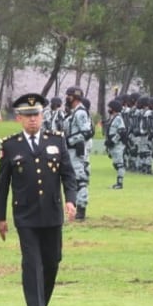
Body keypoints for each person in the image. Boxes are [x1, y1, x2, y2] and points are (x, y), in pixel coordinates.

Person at [0, 93, 78, 306]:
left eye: (37, 115)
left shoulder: (56, 140)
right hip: (25, 215)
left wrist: (71, 200)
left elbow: (68, 175)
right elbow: (3, 185)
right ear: (19, 118)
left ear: (43, 116)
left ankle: (42, 303)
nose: (33, 120)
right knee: (32, 262)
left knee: (52, 261)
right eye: (28, 116)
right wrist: (0, 217)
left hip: (51, 213)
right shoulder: (10, 146)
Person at [62, 87, 92, 220]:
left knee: (80, 180)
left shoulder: (80, 113)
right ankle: (73, 208)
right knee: (72, 180)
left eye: (68, 96)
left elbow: (86, 132)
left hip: (76, 152)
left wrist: (69, 140)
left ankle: (81, 210)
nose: (66, 98)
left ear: (74, 97)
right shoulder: (73, 113)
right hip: (70, 152)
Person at [104, 99, 127, 189]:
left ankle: (119, 183)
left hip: (118, 145)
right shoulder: (112, 118)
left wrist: (113, 141)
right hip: (113, 145)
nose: (108, 109)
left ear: (113, 109)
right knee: (116, 164)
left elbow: (121, 131)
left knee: (119, 164)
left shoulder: (118, 118)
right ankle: (118, 182)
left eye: (110, 107)